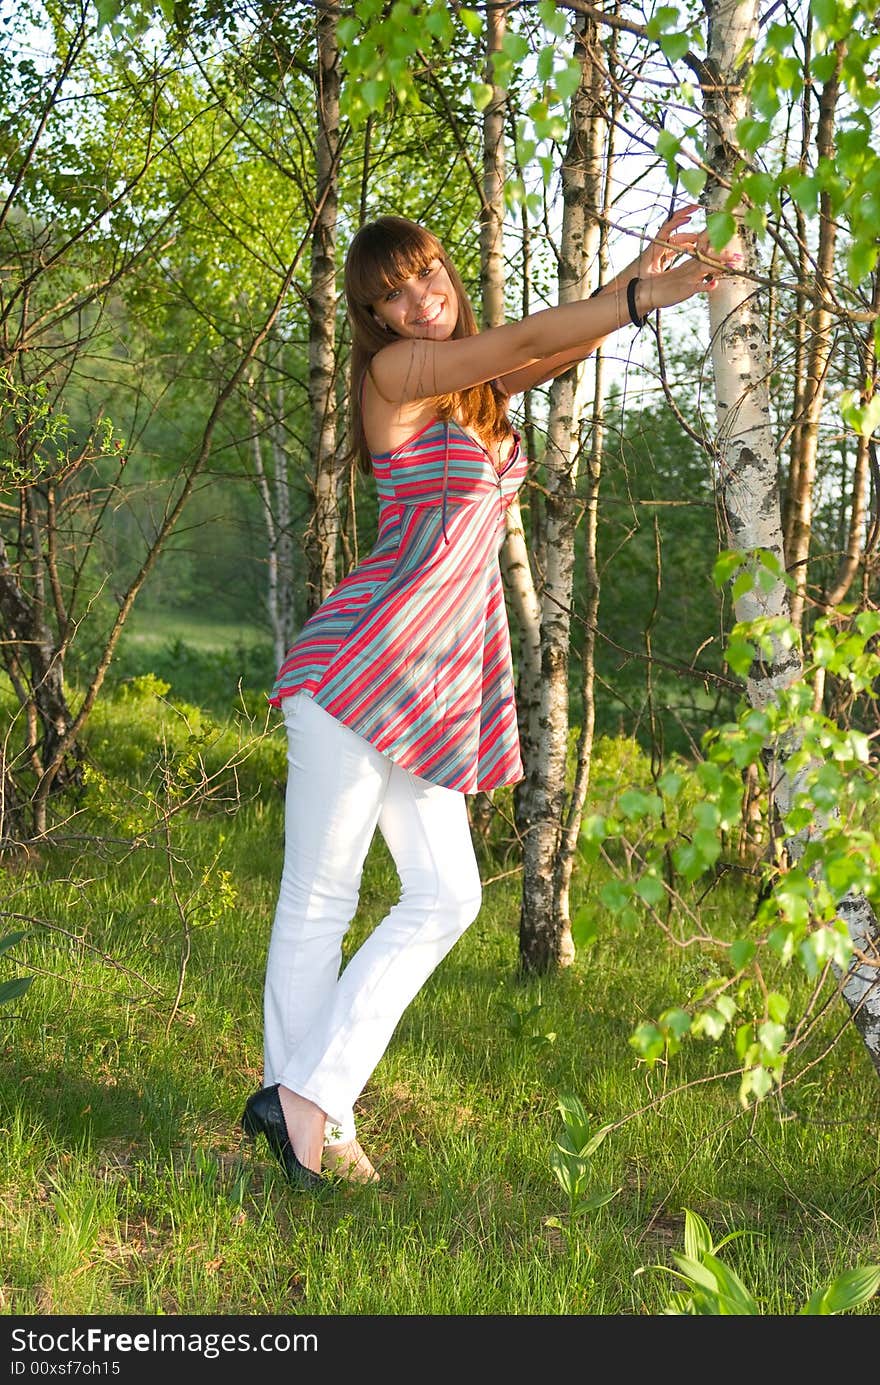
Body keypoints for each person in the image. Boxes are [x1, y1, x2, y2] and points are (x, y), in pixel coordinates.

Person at [241, 205, 733, 1188]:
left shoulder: (474, 390)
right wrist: (634, 299)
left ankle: (304, 1096)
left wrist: (627, 285)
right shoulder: (398, 377)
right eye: (392, 297)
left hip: (425, 687)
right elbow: (524, 339)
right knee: (321, 894)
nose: (420, 304)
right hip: (356, 667)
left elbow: (541, 349)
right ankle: (308, 1117)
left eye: (428, 279)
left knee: (447, 893)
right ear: (374, 320)